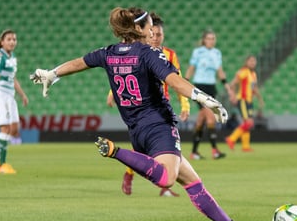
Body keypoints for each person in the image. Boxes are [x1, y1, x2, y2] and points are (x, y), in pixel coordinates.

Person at [30, 7, 243, 221]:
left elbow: (78, 63)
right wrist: (205, 99)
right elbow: (174, 81)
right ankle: (115, 152)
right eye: (150, 27)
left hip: (137, 133)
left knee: (193, 183)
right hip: (159, 127)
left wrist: (52, 74)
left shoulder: (108, 53)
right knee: (167, 179)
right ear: (138, 29)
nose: (153, 31)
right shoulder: (148, 53)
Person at [107, 12, 189, 197]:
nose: (156, 37)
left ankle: (163, 187)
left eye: (159, 34)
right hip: (143, 110)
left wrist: (185, 105)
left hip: (161, 107)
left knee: (161, 152)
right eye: (153, 32)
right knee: (148, 152)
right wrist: (112, 93)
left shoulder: (168, 54)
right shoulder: (138, 52)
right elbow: (125, 74)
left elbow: (178, 81)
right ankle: (131, 175)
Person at [185, 29, 233, 160]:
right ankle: (215, 150)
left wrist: (227, 87)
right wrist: (185, 84)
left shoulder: (217, 53)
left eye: (213, 38)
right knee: (211, 117)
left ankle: (194, 152)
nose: (211, 41)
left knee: (201, 120)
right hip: (200, 87)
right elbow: (191, 68)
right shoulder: (198, 52)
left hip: (211, 87)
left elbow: (220, 71)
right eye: (209, 38)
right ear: (204, 40)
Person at [0, 29, 29, 174]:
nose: (12, 42)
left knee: (14, 130)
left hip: (10, 95)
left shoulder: (12, 57)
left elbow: (13, 78)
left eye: (14, 39)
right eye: (9, 39)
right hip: (1, 94)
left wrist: (22, 95)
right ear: (2, 41)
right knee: (5, 129)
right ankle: (1, 165)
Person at [225, 55, 264, 152]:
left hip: (249, 101)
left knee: (248, 123)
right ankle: (231, 139)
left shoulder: (253, 74)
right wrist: (233, 96)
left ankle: (245, 146)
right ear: (246, 62)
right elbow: (233, 83)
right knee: (249, 123)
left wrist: (260, 99)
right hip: (242, 100)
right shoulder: (243, 72)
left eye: (254, 61)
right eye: (250, 61)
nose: (252, 63)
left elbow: (254, 88)